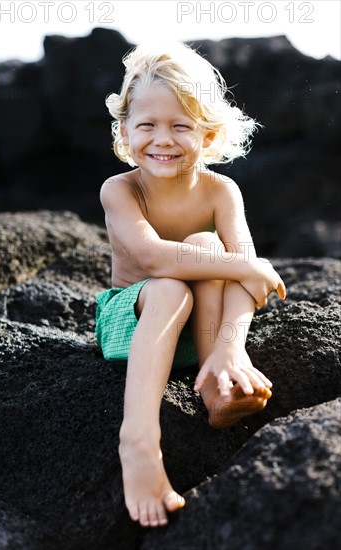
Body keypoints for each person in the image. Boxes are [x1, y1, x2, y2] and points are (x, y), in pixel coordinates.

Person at [95, 42, 286, 529]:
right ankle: (138, 441)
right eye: (147, 125)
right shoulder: (121, 190)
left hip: (196, 341)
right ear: (124, 130)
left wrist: (231, 349)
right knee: (173, 284)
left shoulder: (222, 191)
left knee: (206, 243)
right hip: (133, 324)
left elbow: (240, 275)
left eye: (181, 126)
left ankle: (217, 381)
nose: (163, 139)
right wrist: (244, 265)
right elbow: (154, 257)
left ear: (209, 133)